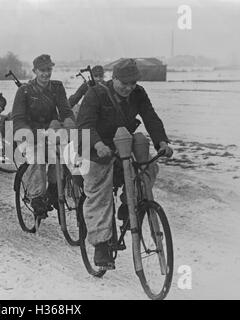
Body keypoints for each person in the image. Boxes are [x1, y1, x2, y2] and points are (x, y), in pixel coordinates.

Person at [76, 58, 173, 269]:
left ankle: (131, 203)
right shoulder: (96, 94)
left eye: (133, 83)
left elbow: (151, 117)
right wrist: (98, 144)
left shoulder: (138, 93)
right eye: (124, 83)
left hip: (123, 146)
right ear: (114, 78)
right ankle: (101, 245)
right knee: (99, 190)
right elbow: (84, 125)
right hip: (94, 148)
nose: (129, 88)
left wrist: (162, 142)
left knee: (149, 167)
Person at [12, 54, 76, 218]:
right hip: (30, 134)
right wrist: (32, 136)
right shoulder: (24, 91)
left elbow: (65, 109)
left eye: (49, 69)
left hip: (51, 132)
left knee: (63, 155)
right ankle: (36, 197)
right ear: (35, 71)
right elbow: (18, 119)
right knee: (37, 157)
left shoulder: (57, 87)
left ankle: (54, 188)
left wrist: (69, 121)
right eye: (42, 70)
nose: (46, 74)